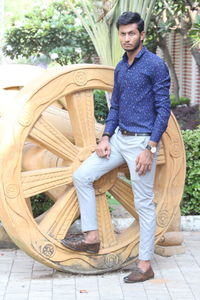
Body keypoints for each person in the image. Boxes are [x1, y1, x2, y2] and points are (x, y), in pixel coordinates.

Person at [61, 11, 171, 283]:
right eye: (122, 34)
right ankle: (92, 237)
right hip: (119, 139)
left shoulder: (155, 65)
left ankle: (145, 265)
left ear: (142, 34)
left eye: (131, 33)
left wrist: (151, 147)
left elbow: (164, 109)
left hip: (143, 142)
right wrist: (106, 137)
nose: (126, 38)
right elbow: (116, 107)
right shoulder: (121, 67)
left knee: (143, 204)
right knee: (82, 175)